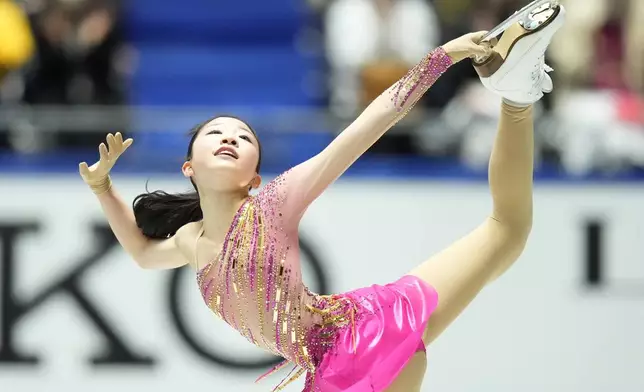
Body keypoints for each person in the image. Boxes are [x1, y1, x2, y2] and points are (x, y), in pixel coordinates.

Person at [78, 3, 565, 391]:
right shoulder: (189, 240)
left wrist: (443, 55)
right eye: (216, 134)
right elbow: (142, 253)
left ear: (254, 176)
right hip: (340, 357)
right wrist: (103, 188)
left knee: (507, 231)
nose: (230, 138)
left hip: (361, 341)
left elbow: (372, 121)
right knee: (508, 236)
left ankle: (515, 96)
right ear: (189, 167)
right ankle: (518, 95)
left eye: (244, 137)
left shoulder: (274, 204)